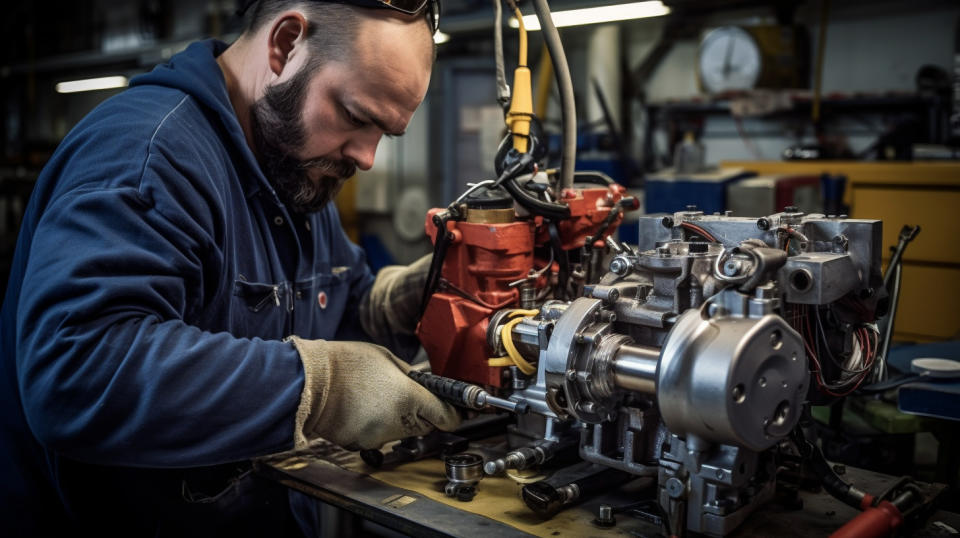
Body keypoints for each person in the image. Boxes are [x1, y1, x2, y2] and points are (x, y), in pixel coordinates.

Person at [0, 0, 460, 535]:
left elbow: (331, 303)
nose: (366, 156)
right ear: (286, 44)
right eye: (356, 116)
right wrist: (323, 388)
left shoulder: (293, 164)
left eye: (385, 132)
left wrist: (388, 305)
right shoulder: (148, 154)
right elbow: (75, 368)